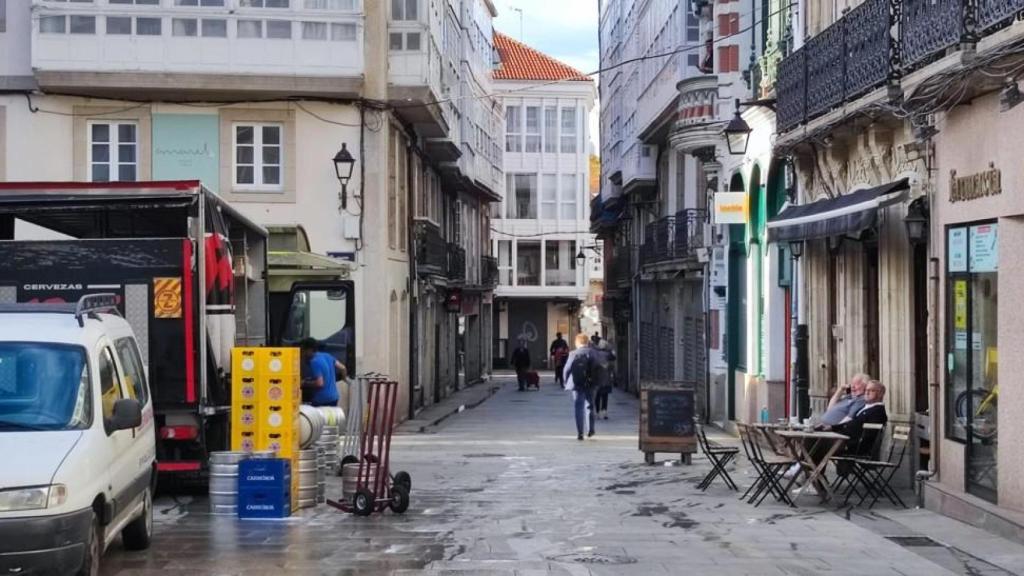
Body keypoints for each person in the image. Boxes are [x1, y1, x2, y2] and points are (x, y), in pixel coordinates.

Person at [564, 333, 597, 441]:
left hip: (576, 383)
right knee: (589, 406)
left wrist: (566, 381)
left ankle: (580, 433)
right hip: (590, 383)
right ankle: (590, 430)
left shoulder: (573, 353)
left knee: (578, 407)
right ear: (587, 342)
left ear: (577, 342)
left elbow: (567, 369)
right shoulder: (593, 352)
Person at [300, 337, 345, 407]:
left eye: (303, 351)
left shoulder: (314, 361)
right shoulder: (327, 355)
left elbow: (319, 383)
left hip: (322, 400)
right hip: (334, 398)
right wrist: (344, 379)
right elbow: (343, 368)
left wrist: (304, 383)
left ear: (309, 349)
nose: (303, 354)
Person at [592, 340, 616, 420]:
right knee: (605, 396)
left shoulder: (595, 354)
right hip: (606, 378)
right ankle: (604, 412)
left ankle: (597, 412)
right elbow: (614, 357)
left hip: (597, 378)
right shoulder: (608, 354)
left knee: (597, 396)